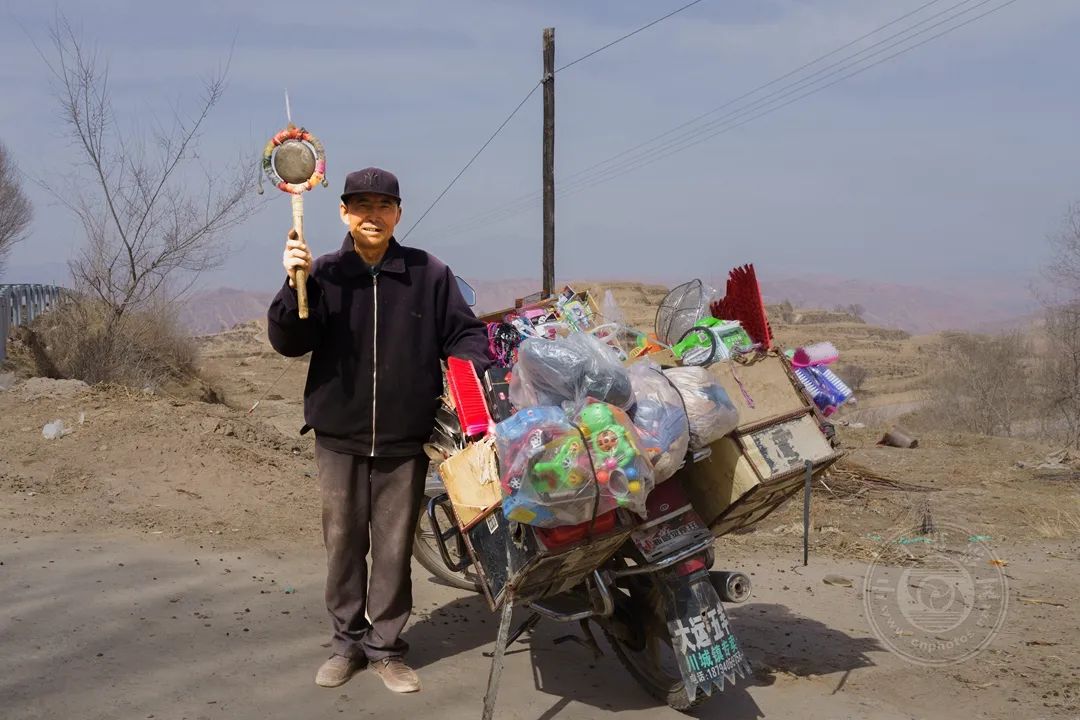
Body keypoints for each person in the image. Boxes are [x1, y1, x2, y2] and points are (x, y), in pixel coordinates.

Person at [267, 167, 491, 694]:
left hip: (403, 440)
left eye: (384, 205)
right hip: (338, 437)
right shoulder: (324, 273)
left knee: (392, 548)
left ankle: (386, 649)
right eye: (362, 206)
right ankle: (345, 645)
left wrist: (465, 375)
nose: (373, 215)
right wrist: (293, 284)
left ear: (398, 214)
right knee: (343, 544)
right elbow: (290, 341)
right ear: (344, 213)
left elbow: (467, 335)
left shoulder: (428, 274)